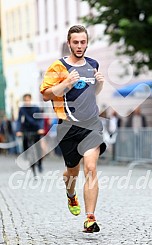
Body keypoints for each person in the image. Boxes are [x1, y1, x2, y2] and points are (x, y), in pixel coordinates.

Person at [40, 25, 106, 233]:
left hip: (91, 125)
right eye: (75, 42)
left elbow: (91, 93)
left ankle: (90, 218)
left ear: (87, 43)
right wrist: (65, 84)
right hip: (68, 127)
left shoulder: (93, 64)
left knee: (91, 168)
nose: (79, 46)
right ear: (69, 43)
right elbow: (46, 94)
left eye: (83, 42)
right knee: (72, 172)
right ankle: (71, 195)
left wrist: (100, 85)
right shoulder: (58, 67)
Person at [16, 94, 44, 176]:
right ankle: (28, 158)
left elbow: (40, 119)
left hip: (36, 130)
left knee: (38, 148)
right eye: (26, 100)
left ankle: (40, 163)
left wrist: (40, 128)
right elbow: (19, 120)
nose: (27, 102)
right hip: (26, 130)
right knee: (25, 145)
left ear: (31, 100)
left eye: (28, 100)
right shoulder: (22, 109)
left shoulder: (36, 108)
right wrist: (18, 130)